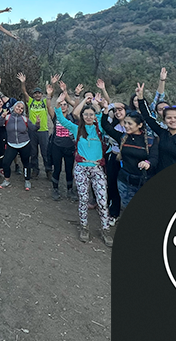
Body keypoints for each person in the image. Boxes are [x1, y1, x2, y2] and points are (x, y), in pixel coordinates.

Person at [54, 93, 113, 248]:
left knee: (102, 200)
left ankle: (106, 229)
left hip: (97, 168)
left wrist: (100, 106)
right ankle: (84, 227)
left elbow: (103, 117)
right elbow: (61, 120)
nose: (88, 116)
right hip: (81, 168)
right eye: (85, 114)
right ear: (82, 116)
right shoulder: (76, 128)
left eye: (91, 114)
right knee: (83, 199)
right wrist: (59, 104)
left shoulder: (100, 128)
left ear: (95, 116)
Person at [99, 103, 158, 215]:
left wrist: (147, 163)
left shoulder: (150, 140)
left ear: (139, 125)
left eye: (130, 123)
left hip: (143, 181)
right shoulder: (123, 138)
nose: (126, 126)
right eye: (125, 123)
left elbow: (154, 157)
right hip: (125, 181)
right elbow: (106, 126)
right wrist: (106, 110)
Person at [135, 83, 176, 172]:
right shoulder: (163, 133)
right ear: (165, 121)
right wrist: (140, 98)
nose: (173, 120)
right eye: (169, 118)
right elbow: (147, 117)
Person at [17, 72, 53, 180]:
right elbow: (24, 92)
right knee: (33, 152)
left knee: (45, 152)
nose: (37, 95)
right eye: (36, 93)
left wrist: (52, 84)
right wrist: (23, 82)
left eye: (39, 93)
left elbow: (51, 94)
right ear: (33, 95)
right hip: (32, 131)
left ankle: (48, 170)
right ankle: (35, 170)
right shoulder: (31, 102)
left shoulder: (44, 103)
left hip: (43, 131)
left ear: (42, 95)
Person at [0, 101, 38, 191]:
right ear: (14, 107)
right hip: (11, 144)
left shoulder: (24, 119)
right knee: (6, 163)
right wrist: (2, 117)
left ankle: (27, 180)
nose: (19, 109)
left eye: (22, 108)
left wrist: (37, 124)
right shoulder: (7, 117)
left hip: (25, 144)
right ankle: (7, 180)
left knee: (26, 163)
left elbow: (33, 128)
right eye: (18, 106)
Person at [46, 81, 76, 200]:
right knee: (57, 168)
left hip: (69, 147)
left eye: (65, 104)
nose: (63, 106)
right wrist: (49, 95)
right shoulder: (56, 116)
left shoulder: (72, 117)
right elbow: (49, 106)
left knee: (69, 169)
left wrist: (65, 91)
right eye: (61, 104)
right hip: (57, 146)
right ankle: (55, 189)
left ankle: (70, 190)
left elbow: (76, 106)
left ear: (68, 107)